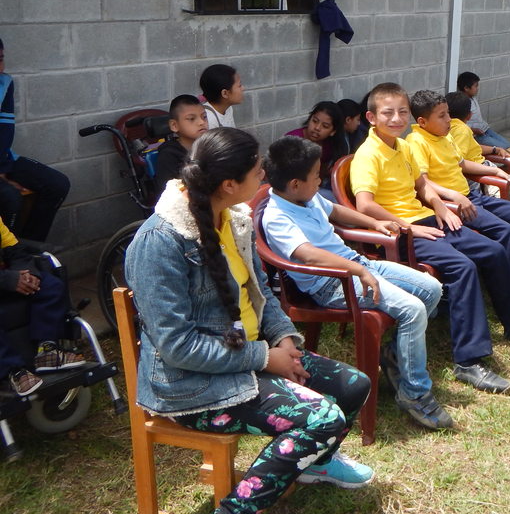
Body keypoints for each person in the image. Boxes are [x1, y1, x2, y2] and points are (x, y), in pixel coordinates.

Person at [125, 128, 375, 510]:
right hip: (191, 384)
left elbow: (260, 293)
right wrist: (264, 358)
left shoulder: (234, 218)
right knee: (322, 418)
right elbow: (177, 347)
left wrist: (284, 340)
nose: (264, 175)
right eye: (258, 170)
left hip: (247, 355)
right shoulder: (160, 242)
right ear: (229, 184)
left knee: (354, 385)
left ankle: (315, 462)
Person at [351, 83, 510, 395]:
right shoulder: (367, 155)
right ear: (371, 117)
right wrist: (408, 228)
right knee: (463, 267)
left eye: (402, 112)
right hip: (399, 233)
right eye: (388, 113)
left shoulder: (402, 146)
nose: (396, 118)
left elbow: (422, 185)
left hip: (427, 219)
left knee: (493, 249)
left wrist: (440, 207)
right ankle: (468, 361)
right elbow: (365, 205)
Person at [261, 136, 452, 430]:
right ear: (296, 183)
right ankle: (414, 393)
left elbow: (335, 210)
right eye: (316, 176)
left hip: (357, 265)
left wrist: (373, 222)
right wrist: (357, 270)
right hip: (332, 284)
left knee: (431, 289)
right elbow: (306, 254)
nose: (320, 180)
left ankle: (394, 355)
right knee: (412, 309)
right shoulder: (277, 216)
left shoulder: (305, 197)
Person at [407, 90, 510, 307]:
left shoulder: (445, 136)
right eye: (442, 116)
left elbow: (462, 164)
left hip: (472, 197)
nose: (449, 119)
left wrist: (494, 170)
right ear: (422, 121)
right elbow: (423, 183)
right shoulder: (416, 142)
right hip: (454, 206)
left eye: (448, 113)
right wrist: (453, 195)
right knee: (506, 231)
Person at [1, 216, 85, 395]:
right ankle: (13, 371)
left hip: (7, 280)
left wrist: (28, 275)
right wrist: (10, 280)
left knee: (50, 285)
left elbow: (16, 251)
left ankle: (47, 350)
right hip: (4, 281)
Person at [0, 40, 71, 242]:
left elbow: (5, 129)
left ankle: (30, 247)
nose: (0, 68)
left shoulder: (5, 83)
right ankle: (11, 253)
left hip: (4, 159)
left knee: (57, 184)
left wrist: (2, 169)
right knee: (11, 198)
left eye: (1, 59)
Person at [445, 91, 510, 210]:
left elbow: (472, 148)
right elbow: (460, 162)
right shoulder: (461, 130)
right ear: (469, 115)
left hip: (486, 169)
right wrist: (494, 171)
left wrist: (495, 149)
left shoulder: (451, 129)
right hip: (480, 175)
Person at [153, 95, 209, 195]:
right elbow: (172, 193)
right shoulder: (168, 156)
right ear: (174, 125)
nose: (201, 122)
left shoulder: (210, 147)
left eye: (204, 117)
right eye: (191, 119)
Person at [286, 102, 345, 184]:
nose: (317, 128)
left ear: (333, 132)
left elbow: (321, 175)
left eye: (325, 126)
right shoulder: (291, 140)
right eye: (315, 121)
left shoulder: (328, 146)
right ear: (309, 119)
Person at [457, 72, 510, 150]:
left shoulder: (472, 98)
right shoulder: (461, 103)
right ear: (466, 88)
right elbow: (459, 124)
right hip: (476, 136)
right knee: (505, 149)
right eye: (476, 86)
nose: (477, 88)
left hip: (485, 130)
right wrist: (474, 130)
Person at [200, 64, 244, 129]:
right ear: (225, 93)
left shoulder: (228, 108)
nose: (243, 88)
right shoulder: (209, 119)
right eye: (239, 85)